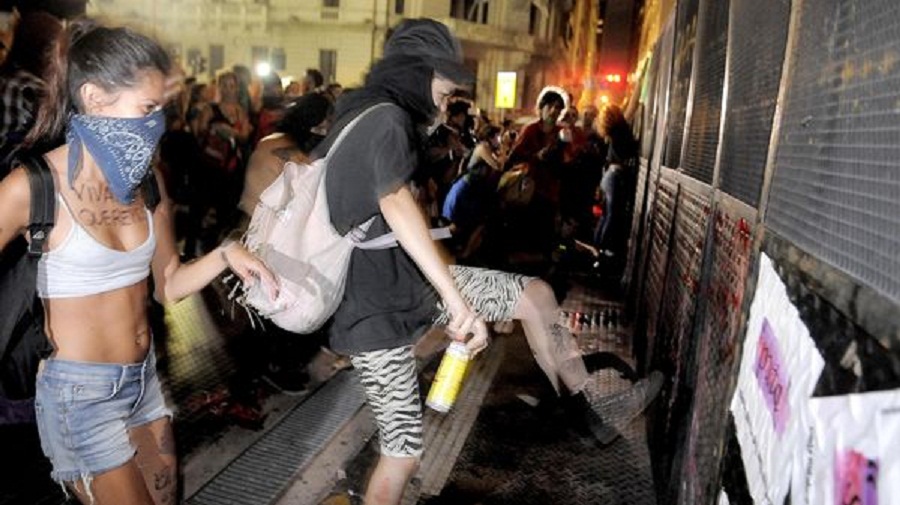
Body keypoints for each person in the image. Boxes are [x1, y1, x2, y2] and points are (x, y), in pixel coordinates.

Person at [317, 18, 660, 505]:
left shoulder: (370, 118)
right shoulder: (384, 119)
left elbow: (398, 216)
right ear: (416, 72)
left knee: (535, 296)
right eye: (444, 89)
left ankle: (589, 412)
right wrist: (458, 303)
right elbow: (393, 202)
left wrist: (457, 289)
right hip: (372, 310)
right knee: (402, 454)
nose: (448, 101)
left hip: (406, 285)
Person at [0, 19, 278, 505]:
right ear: (94, 97)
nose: (158, 123)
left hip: (143, 382)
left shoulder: (148, 181)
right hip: (79, 398)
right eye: (147, 108)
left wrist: (225, 253)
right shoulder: (33, 186)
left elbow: (168, 284)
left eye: (161, 109)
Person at [592, 103, 639, 276]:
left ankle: (598, 250)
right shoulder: (620, 131)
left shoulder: (611, 132)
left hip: (609, 175)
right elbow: (631, 148)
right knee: (611, 216)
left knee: (607, 216)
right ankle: (602, 251)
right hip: (615, 176)